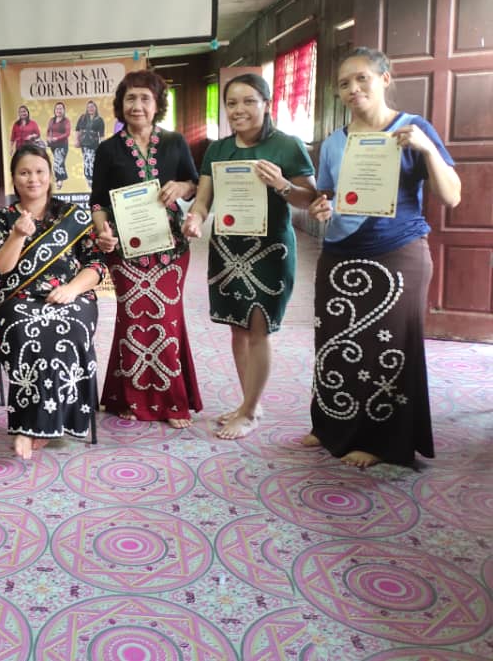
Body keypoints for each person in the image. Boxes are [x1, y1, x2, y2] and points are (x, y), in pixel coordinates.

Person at [302, 48, 460, 467]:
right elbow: (328, 196)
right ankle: (331, 425)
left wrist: (427, 149)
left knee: (387, 347)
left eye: (362, 78)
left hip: (398, 253)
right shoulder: (334, 142)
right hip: (339, 254)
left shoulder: (414, 128)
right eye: (344, 84)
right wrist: (322, 207)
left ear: (385, 79)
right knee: (335, 342)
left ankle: (379, 440)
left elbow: (452, 196)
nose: (353, 89)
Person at [183, 74, 317, 439]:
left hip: (270, 250)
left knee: (259, 327)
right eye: (231, 103)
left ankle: (250, 410)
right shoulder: (218, 149)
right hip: (228, 248)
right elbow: (204, 200)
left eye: (248, 101)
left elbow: (310, 199)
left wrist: (282, 184)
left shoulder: (287, 145)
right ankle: (249, 403)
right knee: (238, 328)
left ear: (266, 104)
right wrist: (195, 218)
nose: (238, 109)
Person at [91, 71, 202, 428]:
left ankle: (172, 401)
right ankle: (129, 396)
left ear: (157, 105)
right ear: (120, 105)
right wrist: (102, 231)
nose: (137, 105)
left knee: (167, 320)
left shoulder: (175, 142)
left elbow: (195, 184)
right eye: (130, 98)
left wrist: (181, 188)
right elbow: (98, 202)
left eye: (144, 98)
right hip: (124, 249)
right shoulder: (108, 149)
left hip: (171, 248)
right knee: (133, 320)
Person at [0, 145, 106, 460]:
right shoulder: (1, 219)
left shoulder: (74, 215)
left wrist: (72, 289)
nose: (33, 179)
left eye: (40, 171)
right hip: (18, 299)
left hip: (71, 295)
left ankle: (38, 425)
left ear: (51, 176)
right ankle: (31, 426)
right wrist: (16, 236)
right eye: (24, 173)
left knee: (70, 329)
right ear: (14, 178)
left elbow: (96, 265)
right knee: (28, 331)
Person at [75, 100, 107, 182]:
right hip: (84, 144)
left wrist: (103, 147)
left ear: (95, 108)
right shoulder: (83, 118)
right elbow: (77, 129)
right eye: (89, 107)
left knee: (92, 162)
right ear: (87, 108)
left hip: (94, 145)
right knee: (86, 162)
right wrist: (77, 140)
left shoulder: (99, 120)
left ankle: (93, 179)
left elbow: (102, 135)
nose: (90, 108)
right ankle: (89, 179)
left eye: (92, 106)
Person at [46, 102, 72, 189]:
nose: (59, 110)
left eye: (60, 108)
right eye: (57, 108)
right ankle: (60, 178)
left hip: (62, 145)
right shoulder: (51, 120)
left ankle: (59, 180)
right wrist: (48, 138)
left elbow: (67, 133)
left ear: (64, 110)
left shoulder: (66, 121)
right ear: (55, 110)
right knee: (58, 162)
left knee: (58, 161)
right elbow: (48, 131)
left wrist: (57, 138)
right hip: (53, 145)